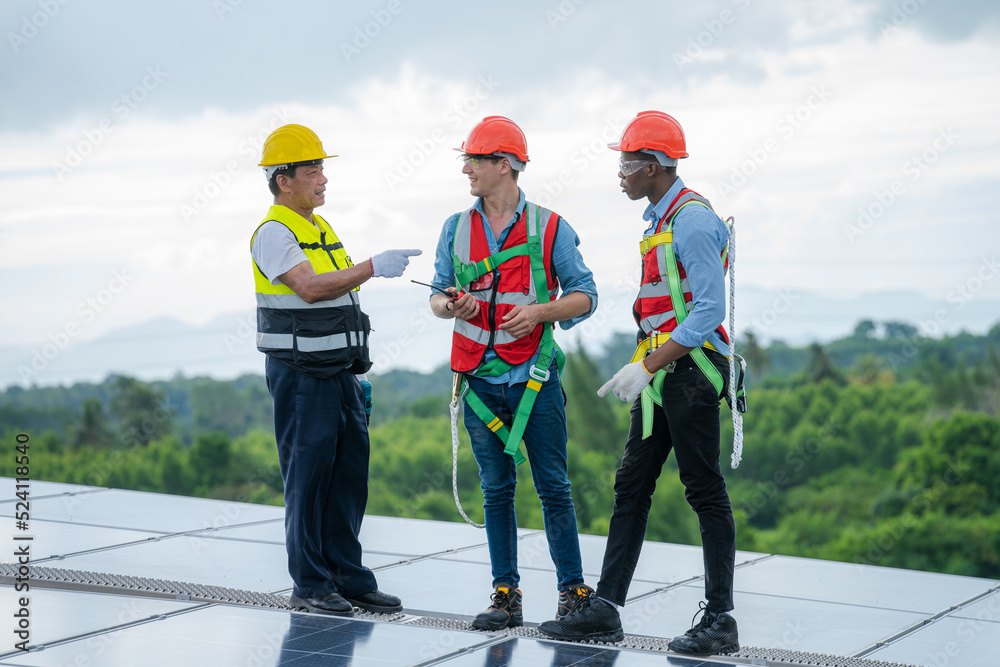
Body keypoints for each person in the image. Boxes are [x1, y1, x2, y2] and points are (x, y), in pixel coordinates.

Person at [538, 111, 740, 656]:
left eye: (627, 163)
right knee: (631, 484)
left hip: (689, 373)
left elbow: (707, 311)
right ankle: (606, 607)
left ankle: (720, 618)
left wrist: (649, 366)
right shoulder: (659, 218)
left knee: (703, 489)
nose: (620, 173)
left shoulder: (692, 220)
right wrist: (648, 365)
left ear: (653, 165)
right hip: (663, 371)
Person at [429, 116, 598, 630]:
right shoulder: (455, 229)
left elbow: (586, 295)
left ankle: (573, 594)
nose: (466, 170)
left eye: (474, 161)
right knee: (496, 489)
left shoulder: (550, 227)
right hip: (479, 381)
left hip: (534, 379)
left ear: (505, 165)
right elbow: (436, 293)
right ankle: (505, 595)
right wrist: (448, 306)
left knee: (553, 487)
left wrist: (541, 312)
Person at [251, 123, 419, 617]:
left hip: (338, 374)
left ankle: (347, 577)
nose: (323, 178)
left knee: (348, 477)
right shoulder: (274, 233)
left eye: (323, 168)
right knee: (308, 479)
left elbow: (338, 298)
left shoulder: (319, 227)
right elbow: (310, 288)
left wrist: (355, 372)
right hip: (301, 377)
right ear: (284, 180)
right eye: (313, 169)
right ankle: (309, 583)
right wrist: (372, 265)